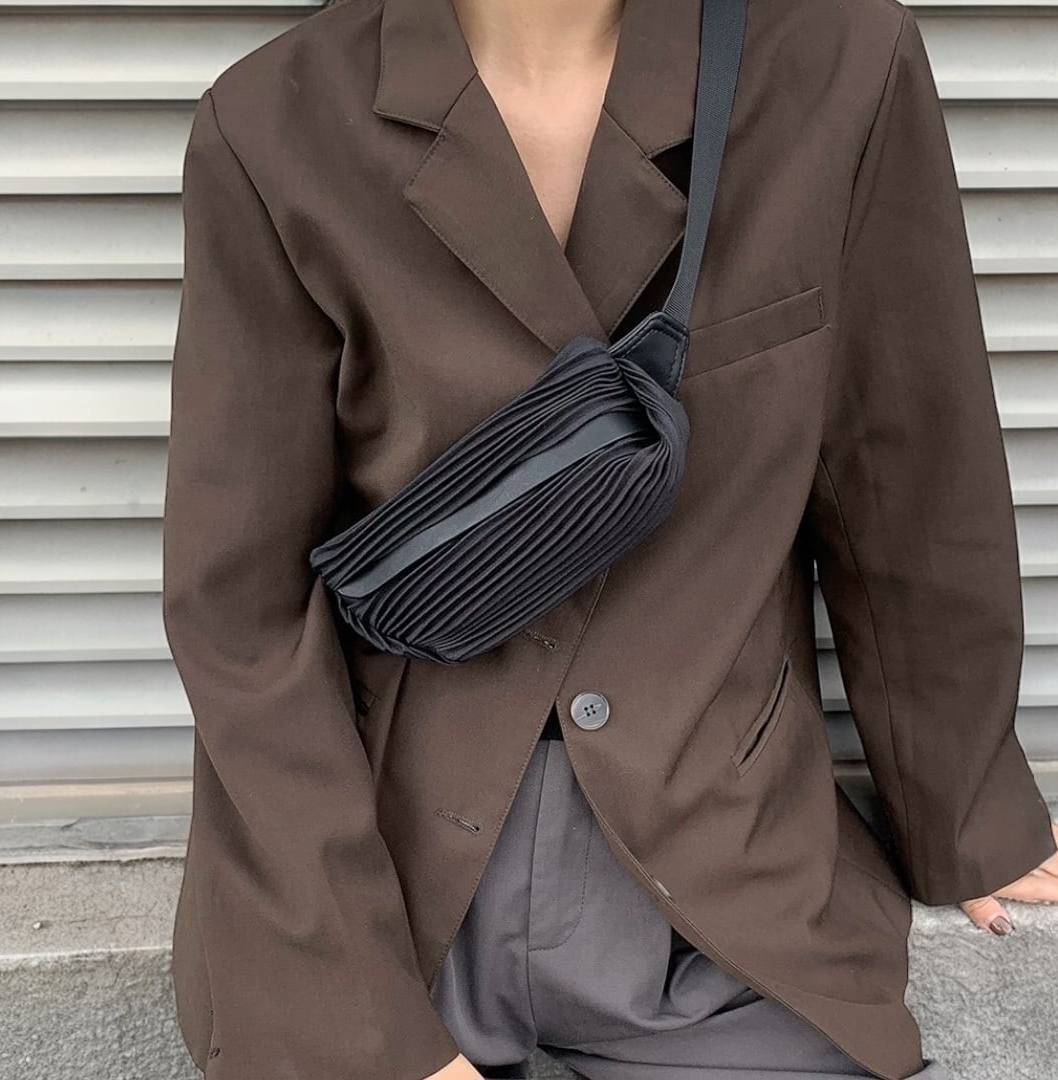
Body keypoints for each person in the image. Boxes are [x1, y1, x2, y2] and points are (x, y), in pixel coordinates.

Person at [161, 0, 1058, 1078]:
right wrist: (360, 1019)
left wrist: (963, 807)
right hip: (399, 888)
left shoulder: (839, 68)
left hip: (728, 890)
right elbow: (241, 603)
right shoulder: (275, 123)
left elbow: (905, 469)